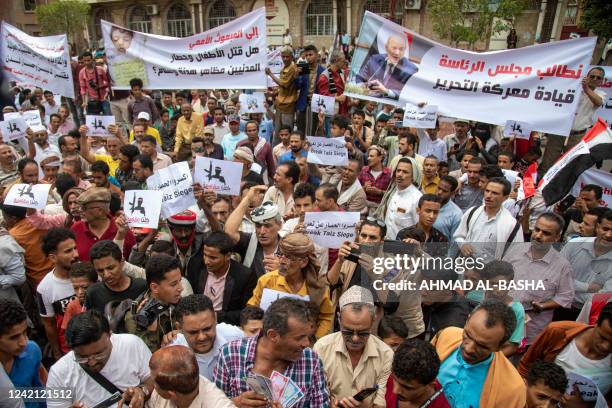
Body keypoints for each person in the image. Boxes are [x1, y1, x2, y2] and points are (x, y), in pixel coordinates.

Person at [214, 298, 330, 407]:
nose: (306, 343)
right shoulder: (230, 354)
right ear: (273, 335)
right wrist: (236, 403)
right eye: (299, 338)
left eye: (308, 336)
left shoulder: (311, 361)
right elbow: (214, 403)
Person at [46, 310, 153, 408]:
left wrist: (142, 391)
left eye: (99, 354)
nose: (92, 363)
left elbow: (153, 378)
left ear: (110, 335)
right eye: (82, 357)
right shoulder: (59, 373)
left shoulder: (132, 345)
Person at [432, 299, 526, 407]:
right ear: (467, 321)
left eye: (482, 346)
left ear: (500, 346)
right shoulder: (445, 336)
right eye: (467, 334)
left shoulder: (513, 390)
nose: (468, 349)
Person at [314, 286, 393, 408]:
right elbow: (316, 396)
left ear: (373, 321)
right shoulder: (322, 348)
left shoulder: (386, 355)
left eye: (363, 332)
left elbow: (381, 403)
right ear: (339, 319)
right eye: (348, 331)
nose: (355, 338)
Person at [504, 213, 575, 345]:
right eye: (537, 230)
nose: (538, 236)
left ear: (557, 237)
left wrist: (543, 306)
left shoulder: (562, 266)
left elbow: (566, 296)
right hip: (502, 321)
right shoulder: (515, 251)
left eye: (546, 233)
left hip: (531, 330)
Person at [248, 232, 333, 339]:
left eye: (289, 257)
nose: (282, 261)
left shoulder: (319, 287)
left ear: (304, 262)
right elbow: (252, 310)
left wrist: (315, 342)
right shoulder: (266, 281)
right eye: (280, 254)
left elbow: (326, 317)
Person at [518, 303, 612, 399]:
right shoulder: (557, 332)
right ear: (595, 323)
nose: (606, 347)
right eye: (602, 337)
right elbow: (526, 367)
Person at [540, 67, 605, 175]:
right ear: (587, 77)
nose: (594, 79)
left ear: (601, 81)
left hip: (577, 136)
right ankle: (539, 187)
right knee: (548, 162)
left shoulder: (600, 94)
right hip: (559, 132)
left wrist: (586, 89)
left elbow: (598, 102)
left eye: (598, 78)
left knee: (569, 166)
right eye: (592, 76)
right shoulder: (573, 88)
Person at [186, 231, 257, 326]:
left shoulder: (244, 276)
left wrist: (216, 316)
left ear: (228, 256)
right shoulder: (196, 266)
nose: (206, 261)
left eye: (212, 258)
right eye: (205, 255)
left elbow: (246, 313)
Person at [170, 294, 244, 381]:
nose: (202, 337)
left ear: (215, 319)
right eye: (193, 332)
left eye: (207, 329)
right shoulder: (171, 354)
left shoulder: (236, 338)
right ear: (179, 328)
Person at [454, 177, 523, 262]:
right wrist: (463, 244)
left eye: (495, 193)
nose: (488, 196)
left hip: (489, 272)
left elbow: (515, 255)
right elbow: (459, 235)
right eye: (487, 191)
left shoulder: (512, 225)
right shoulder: (473, 212)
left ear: (505, 197)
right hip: (465, 269)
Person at [123, 254, 182, 352]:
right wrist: (151, 331)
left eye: (180, 281)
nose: (181, 288)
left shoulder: (179, 301)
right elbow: (145, 356)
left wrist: (182, 334)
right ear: (155, 287)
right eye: (174, 284)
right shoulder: (135, 317)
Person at [560, 209, 612, 320]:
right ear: (597, 227)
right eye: (605, 229)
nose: (609, 235)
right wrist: (587, 287)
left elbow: (602, 299)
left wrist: (567, 289)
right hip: (556, 306)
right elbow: (555, 277)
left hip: (589, 317)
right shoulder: (574, 245)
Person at [37, 228, 80, 358]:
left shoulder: (89, 273)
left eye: (75, 248)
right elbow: (49, 324)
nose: (76, 254)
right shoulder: (45, 288)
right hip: (70, 350)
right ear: (53, 257)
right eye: (68, 251)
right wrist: (57, 353)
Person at [147, 345, 235, 408]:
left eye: (154, 382)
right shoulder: (160, 394)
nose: (153, 384)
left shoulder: (217, 404)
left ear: (171, 394)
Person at [225, 191, 282, 277]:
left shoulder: (289, 247)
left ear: (279, 225)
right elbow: (229, 232)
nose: (262, 231)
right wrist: (247, 199)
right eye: (258, 225)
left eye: (267, 226)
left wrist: (283, 270)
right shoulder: (250, 242)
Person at [71, 187, 136, 261]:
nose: (80, 211)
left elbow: (132, 262)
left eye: (84, 208)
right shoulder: (76, 229)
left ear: (100, 211)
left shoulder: (123, 231)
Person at [0, 299, 43, 408]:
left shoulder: (32, 350)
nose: (23, 342)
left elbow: (38, 389)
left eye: (24, 332)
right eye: (14, 337)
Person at [85, 240, 147, 314]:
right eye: (100, 270)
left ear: (122, 262)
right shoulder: (93, 293)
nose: (106, 275)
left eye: (110, 268)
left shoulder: (142, 287)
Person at [2, 204, 53, 288]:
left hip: (38, 279)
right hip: (57, 269)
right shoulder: (40, 221)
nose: (4, 220)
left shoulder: (13, 235)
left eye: (5, 217)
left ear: (13, 218)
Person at [388, 339, 450, 408]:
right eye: (394, 379)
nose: (395, 391)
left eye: (407, 387)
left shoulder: (441, 405)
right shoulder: (395, 374)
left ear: (430, 384)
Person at [355, 34, 419, 100]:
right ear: (386, 47)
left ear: (405, 50)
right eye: (394, 48)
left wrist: (386, 91)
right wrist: (362, 86)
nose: (397, 53)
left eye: (401, 49)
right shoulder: (375, 59)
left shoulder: (411, 69)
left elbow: (409, 94)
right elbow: (360, 77)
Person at [375, 157, 422, 240]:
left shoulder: (417, 198)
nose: (400, 174)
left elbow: (419, 229)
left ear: (413, 176)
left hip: (403, 248)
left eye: (405, 172)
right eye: (398, 170)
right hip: (385, 244)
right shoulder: (391, 193)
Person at [266, 46, 298, 140]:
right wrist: (273, 93)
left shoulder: (292, 68)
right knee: (278, 132)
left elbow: (284, 84)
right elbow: (283, 87)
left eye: (287, 57)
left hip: (288, 106)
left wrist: (270, 74)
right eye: (283, 56)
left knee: (286, 133)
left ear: (292, 57)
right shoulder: (285, 67)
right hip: (280, 104)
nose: (285, 59)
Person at [61, 261, 98, 331]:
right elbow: (67, 334)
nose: (80, 292)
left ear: (96, 283)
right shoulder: (72, 307)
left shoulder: (103, 299)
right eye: (75, 288)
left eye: (85, 287)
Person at [359, 145, 392, 210]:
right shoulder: (363, 170)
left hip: (379, 208)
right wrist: (364, 187)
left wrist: (379, 192)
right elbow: (354, 190)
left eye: (371, 156)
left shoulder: (389, 174)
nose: (368, 158)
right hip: (363, 206)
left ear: (380, 158)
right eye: (368, 156)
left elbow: (392, 194)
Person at [433, 175, 463, 241]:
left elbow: (454, 242)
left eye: (444, 191)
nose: (440, 192)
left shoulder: (456, 214)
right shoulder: (425, 203)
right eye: (439, 188)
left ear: (452, 193)